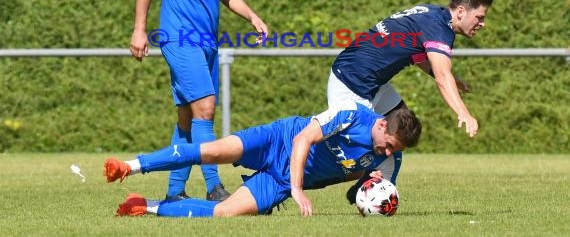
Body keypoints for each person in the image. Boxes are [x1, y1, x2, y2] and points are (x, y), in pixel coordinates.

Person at [129, 0, 268, 202]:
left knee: (187, 120)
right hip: (179, 38)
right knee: (205, 110)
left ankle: (174, 192)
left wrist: (253, 17)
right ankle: (214, 187)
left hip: (207, 44)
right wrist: (140, 29)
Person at [104, 101, 422, 218]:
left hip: (280, 181)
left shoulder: (389, 163)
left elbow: (359, 199)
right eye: (388, 145)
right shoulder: (351, 115)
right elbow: (303, 139)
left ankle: (144, 205)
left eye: (396, 151)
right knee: (211, 151)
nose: (389, 154)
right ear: (382, 124)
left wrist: (367, 184)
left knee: (225, 214)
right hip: (277, 141)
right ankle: (130, 166)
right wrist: (298, 189)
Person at [327, 0, 494, 202]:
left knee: (403, 131)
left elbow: (418, 56)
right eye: (479, 17)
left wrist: (452, 80)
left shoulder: (433, 14)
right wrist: (462, 112)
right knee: (347, 150)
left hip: (372, 83)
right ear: (461, 11)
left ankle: (371, 194)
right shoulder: (440, 27)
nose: (482, 23)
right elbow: (443, 77)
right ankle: (284, 177)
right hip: (350, 84)